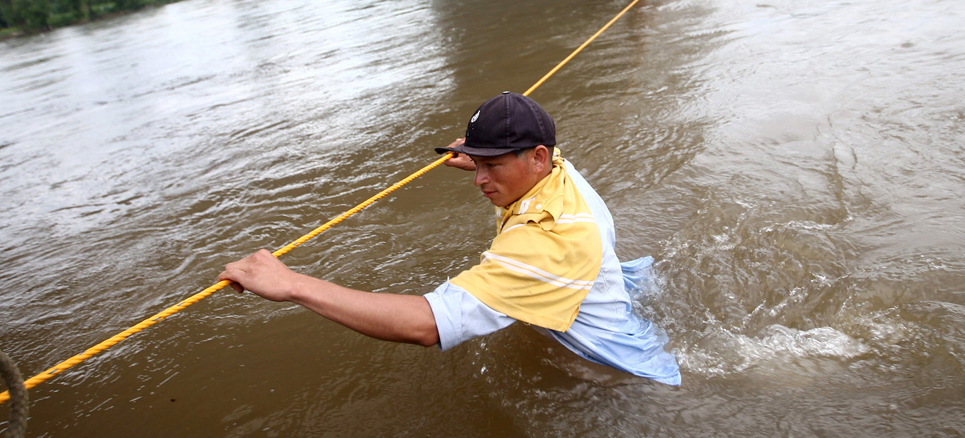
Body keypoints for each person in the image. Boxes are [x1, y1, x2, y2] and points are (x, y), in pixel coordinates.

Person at [219, 92, 681, 385]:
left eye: (491, 165)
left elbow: (427, 324)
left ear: (538, 158)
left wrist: (293, 284)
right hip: (598, 289)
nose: (479, 178)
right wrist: (486, 157)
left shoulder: (547, 241)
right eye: (476, 162)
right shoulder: (556, 168)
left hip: (610, 363)